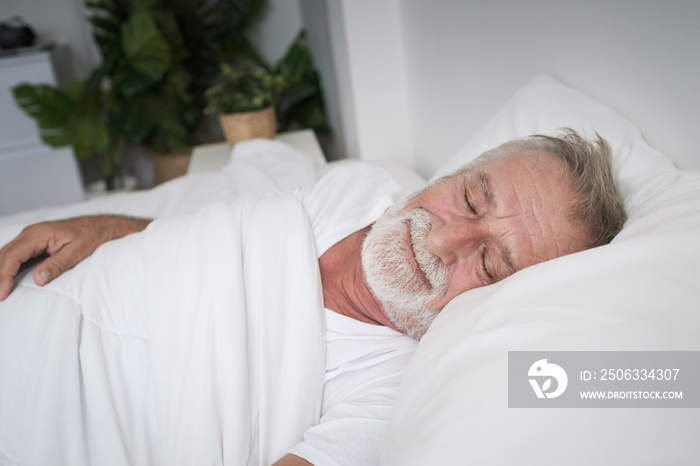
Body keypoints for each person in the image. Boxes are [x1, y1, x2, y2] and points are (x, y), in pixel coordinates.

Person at [0, 129, 626, 465]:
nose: (444, 240)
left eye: (489, 264)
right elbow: (209, 238)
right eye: (468, 199)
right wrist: (104, 228)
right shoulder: (359, 189)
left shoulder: (396, 393)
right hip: (29, 285)